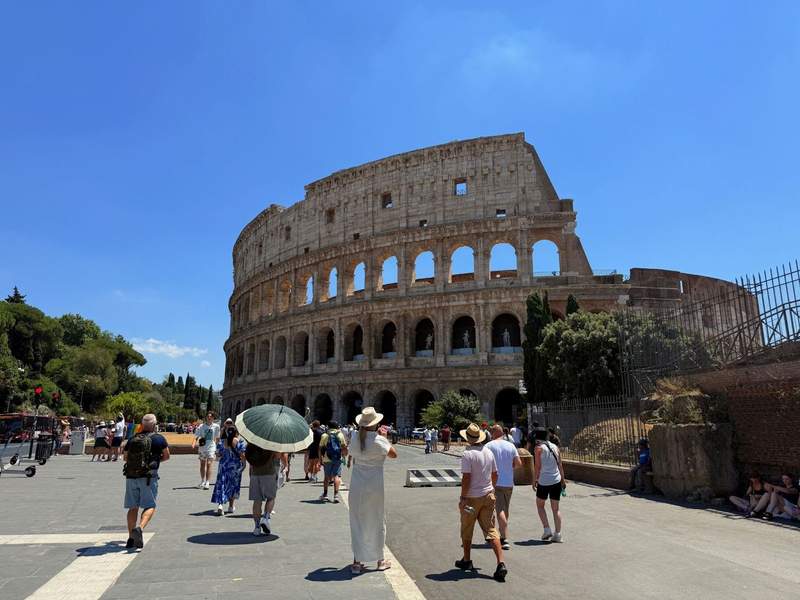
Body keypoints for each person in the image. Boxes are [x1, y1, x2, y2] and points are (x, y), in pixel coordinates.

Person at [348, 407, 397, 574]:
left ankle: (356, 562)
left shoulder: (355, 437)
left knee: (357, 521)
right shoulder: (379, 440)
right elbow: (394, 454)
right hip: (375, 484)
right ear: (375, 424)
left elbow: (350, 452)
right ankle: (380, 560)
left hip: (357, 484)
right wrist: (385, 438)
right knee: (377, 519)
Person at [455, 423, 506, 582]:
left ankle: (467, 560)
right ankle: (501, 563)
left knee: (467, 527)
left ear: (468, 438)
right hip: (488, 496)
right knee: (491, 529)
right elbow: (495, 474)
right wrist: (491, 489)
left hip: (471, 499)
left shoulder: (467, 454)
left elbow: (466, 478)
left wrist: (463, 498)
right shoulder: (488, 452)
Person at [122, 414, 169, 549]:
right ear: (154, 425)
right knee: (150, 505)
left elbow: (125, 458)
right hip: (149, 477)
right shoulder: (159, 439)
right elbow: (167, 456)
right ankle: (140, 528)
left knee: (133, 507)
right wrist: (155, 461)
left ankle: (131, 538)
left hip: (131, 476)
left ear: (142, 425)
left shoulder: (132, 439)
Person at [486, 424, 522, 550]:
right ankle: (501, 533)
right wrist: (509, 467)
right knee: (505, 509)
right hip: (509, 482)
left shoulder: (488, 446)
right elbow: (518, 464)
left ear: (493, 433)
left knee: (498, 510)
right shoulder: (510, 445)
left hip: (495, 482)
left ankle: (504, 537)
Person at [246, 443, 288, 536]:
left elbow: (248, 457)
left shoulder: (252, 442)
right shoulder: (271, 443)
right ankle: (265, 517)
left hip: (255, 473)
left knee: (257, 501)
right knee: (271, 497)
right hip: (269, 472)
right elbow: (278, 455)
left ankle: (257, 527)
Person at [532, 427, 565, 542]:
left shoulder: (538, 448)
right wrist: (563, 480)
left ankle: (547, 529)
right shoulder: (555, 446)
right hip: (556, 480)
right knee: (556, 509)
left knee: (540, 505)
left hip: (544, 481)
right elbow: (560, 464)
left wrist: (534, 479)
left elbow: (537, 466)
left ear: (537, 437)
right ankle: (558, 534)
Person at [211, 425, 246, 515]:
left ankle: (220, 505)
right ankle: (231, 506)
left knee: (222, 484)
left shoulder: (222, 442)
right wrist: (244, 465)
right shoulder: (240, 442)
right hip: (235, 466)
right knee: (233, 485)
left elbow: (218, 454)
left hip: (224, 466)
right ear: (236, 432)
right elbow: (242, 455)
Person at [319, 421, 347, 503]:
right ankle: (336, 496)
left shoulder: (324, 435)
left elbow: (320, 448)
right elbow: (344, 447)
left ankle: (325, 494)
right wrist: (344, 456)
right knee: (336, 476)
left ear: (328, 427)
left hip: (327, 458)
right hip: (337, 458)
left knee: (326, 477)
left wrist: (320, 459)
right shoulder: (340, 435)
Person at [192, 412, 220, 489]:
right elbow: (196, 436)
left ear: (213, 418)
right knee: (202, 464)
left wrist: (217, 448)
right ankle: (202, 481)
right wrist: (193, 443)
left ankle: (207, 482)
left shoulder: (216, 426)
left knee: (209, 463)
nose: (209, 418)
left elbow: (217, 438)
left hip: (211, 447)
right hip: (202, 447)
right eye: (208, 416)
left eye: (210, 416)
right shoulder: (201, 426)